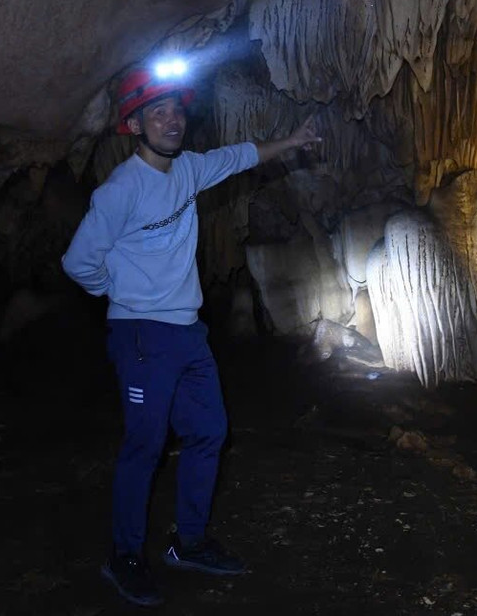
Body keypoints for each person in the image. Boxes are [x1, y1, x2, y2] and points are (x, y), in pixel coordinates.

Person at [61, 66, 321, 607]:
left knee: (209, 432)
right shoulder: (120, 192)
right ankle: (124, 556)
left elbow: (243, 155)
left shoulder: (190, 171)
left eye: (176, 109)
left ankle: (191, 541)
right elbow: (78, 262)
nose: (172, 119)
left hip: (187, 332)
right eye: (158, 111)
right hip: (141, 334)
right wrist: (124, 292)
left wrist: (293, 140)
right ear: (134, 125)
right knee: (145, 445)